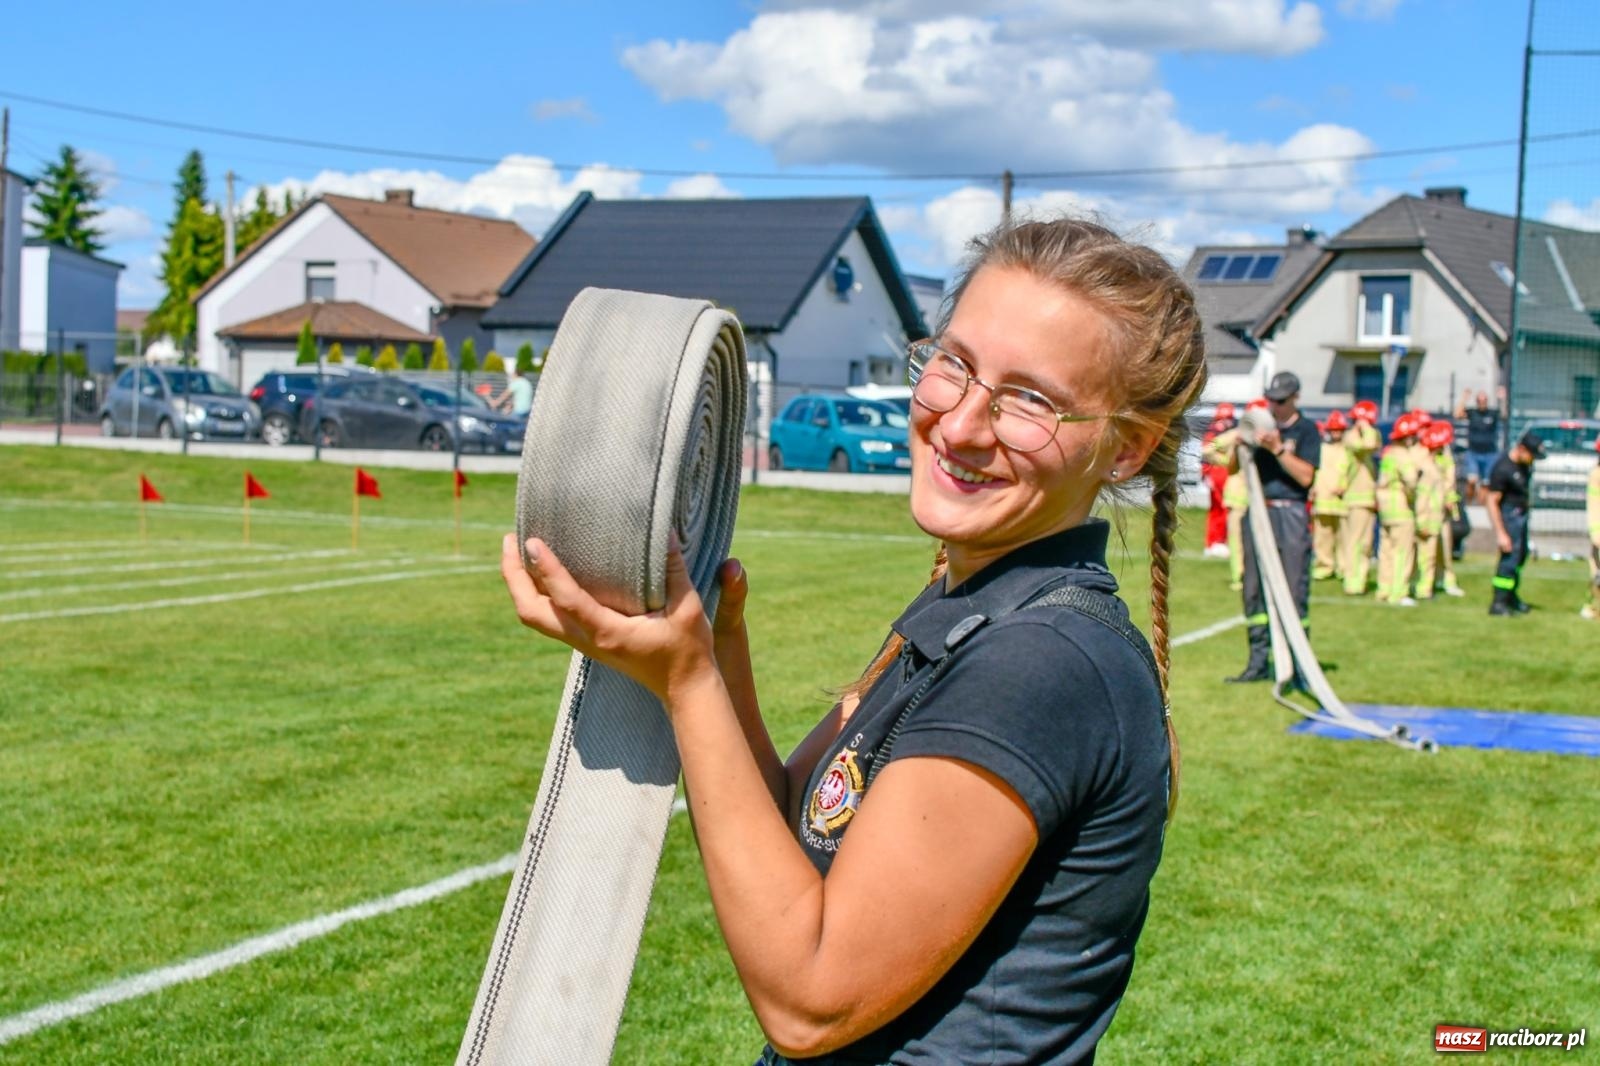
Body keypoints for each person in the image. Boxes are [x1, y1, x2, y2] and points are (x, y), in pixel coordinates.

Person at [500, 218, 1207, 1063]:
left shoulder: (1041, 661)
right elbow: (799, 837)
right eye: (955, 364)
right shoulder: (975, 605)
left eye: (1031, 400)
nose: (961, 424)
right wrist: (714, 659)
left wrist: (687, 684)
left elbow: (812, 999)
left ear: (1126, 448)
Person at [1225, 371, 1321, 683]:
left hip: (1289, 512)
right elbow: (1233, 467)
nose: (1274, 407)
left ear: (1295, 399)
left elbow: (1306, 477)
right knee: (1253, 589)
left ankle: (1299, 664)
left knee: (1294, 589)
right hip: (1258, 512)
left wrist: (1278, 449)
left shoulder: (1306, 431)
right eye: (1271, 400)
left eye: (1280, 401)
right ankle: (1258, 660)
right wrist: (1240, 442)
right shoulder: (1262, 426)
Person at [1486, 430, 1545, 616]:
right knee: (1509, 560)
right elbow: (1491, 501)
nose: (1533, 460)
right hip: (1508, 517)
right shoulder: (1503, 468)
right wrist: (1501, 533)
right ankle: (1499, 602)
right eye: (1531, 455)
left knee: (1520, 556)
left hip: (1521, 515)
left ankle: (1512, 597)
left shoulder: (1524, 466)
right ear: (1521, 449)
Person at [1375, 413, 1422, 606]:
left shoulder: (1389, 454)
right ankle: (1399, 592)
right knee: (1403, 551)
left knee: (1386, 550)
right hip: (1401, 508)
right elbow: (1411, 481)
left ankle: (1384, 589)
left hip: (1385, 508)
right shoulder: (1404, 456)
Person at [1340, 400, 1382, 596]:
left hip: (1365, 498)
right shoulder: (1351, 437)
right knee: (1356, 542)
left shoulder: (1362, 436)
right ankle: (1353, 582)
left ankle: (1359, 578)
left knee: (1364, 542)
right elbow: (1370, 444)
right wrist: (1364, 425)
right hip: (1356, 498)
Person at [1310, 409, 1350, 581]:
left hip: (1343, 500)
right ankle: (1324, 566)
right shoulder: (1321, 449)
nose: (1336, 433)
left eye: (1338, 430)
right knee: (1322, 537)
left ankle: (1344, 568)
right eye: (1333, 430)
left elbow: (1352, 473)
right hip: (1323, 498)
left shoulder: (1349, 450)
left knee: (1344, 537)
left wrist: (1344, 486)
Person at [1201, 403, 1236, 560]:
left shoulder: (1227, 432)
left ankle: (1217, 541)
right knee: (1220, 508)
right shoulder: (1215, 433)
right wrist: (1205, 474)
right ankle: (1215, 542)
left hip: (1225, 473)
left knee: (1221, 508)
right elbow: (1205, 454)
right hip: (1217, 473)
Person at [1455, 388, 1503, 500]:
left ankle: (1481, 506)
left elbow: (1504, 413)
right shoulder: (1472, 413)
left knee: (1486, 483)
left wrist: (1502, 399)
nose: (1482, 403)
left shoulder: (1492, 413)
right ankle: (1469, 501)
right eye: (1479, 401)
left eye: (1484, 400)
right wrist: (1464, 398)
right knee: (1472, 479)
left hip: (1490, 453)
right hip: (1473, 452)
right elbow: (1457, 414)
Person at [1583, 436, 1600, 620]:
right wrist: (1596, 533)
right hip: (1599, 533)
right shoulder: (1597, 474)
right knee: (1596, 572)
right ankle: (1591, 606)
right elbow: (1594, 506)